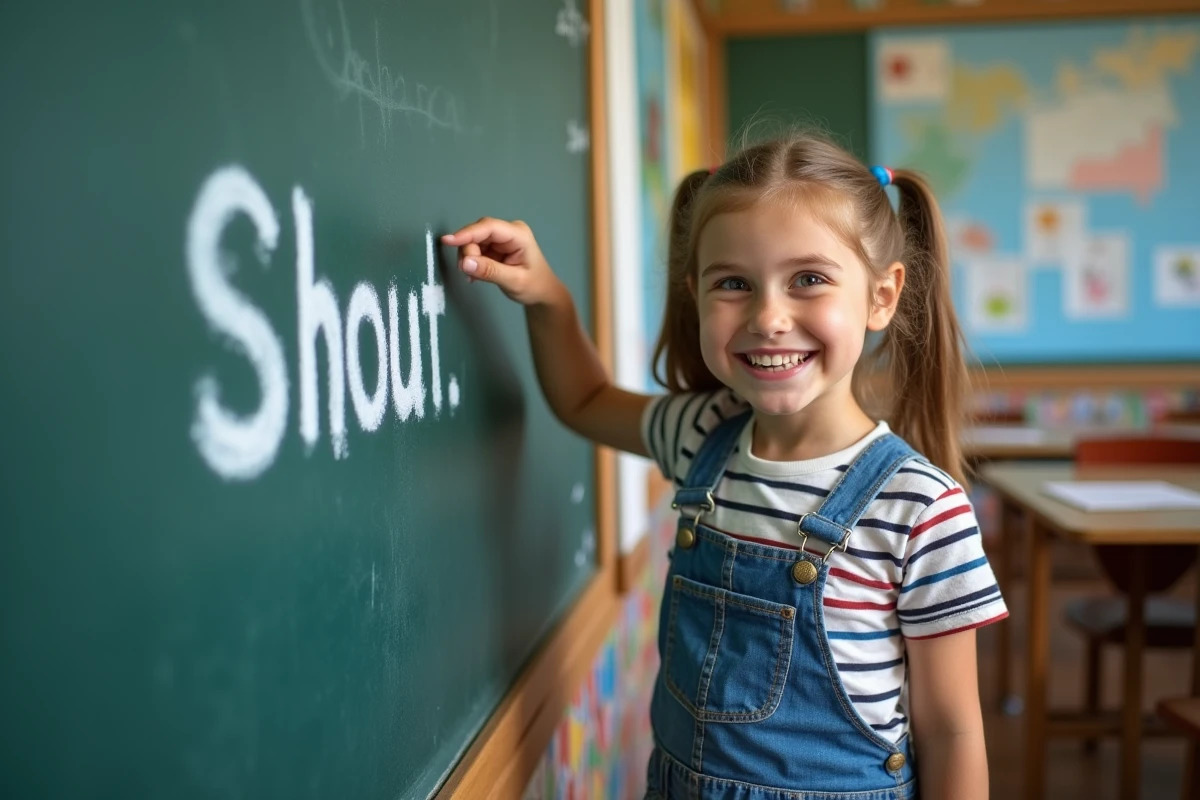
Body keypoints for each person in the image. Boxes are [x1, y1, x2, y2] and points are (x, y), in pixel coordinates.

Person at [441, 133, 1006, 800]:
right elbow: (584, 400)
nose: (769, 317)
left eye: (809, 279)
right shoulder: (700, 434)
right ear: (696, 295)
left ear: (881, 297)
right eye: (733, 283)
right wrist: (548, 298)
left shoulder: (920, 507)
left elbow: (952, 732)